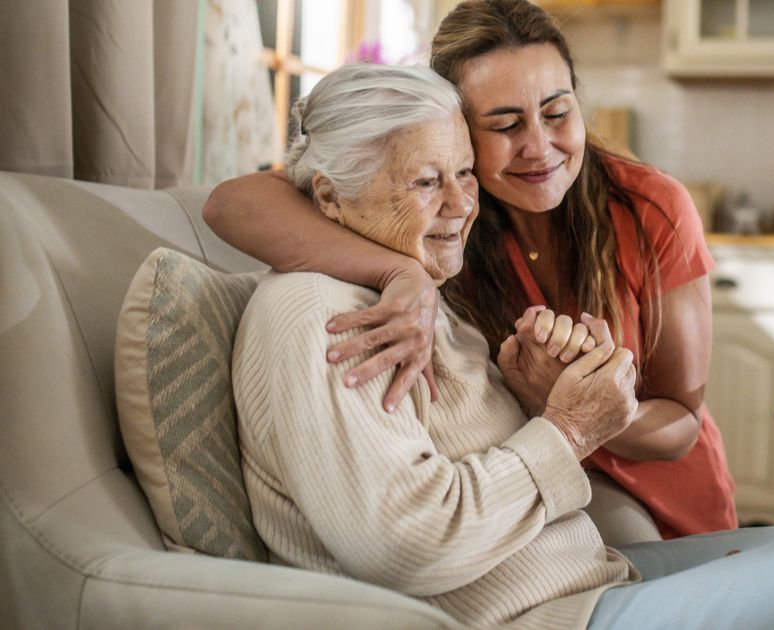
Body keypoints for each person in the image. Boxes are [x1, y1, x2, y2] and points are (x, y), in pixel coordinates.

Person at [233, 62, 774, 630]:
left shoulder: (414, 288)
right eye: (426, 182)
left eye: (463, 173)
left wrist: (537, 391)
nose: (460, 204)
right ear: (328, 195)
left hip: (582, 578)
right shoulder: (327, 319)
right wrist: (567, 427)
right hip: (538, 615)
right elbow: (406, 543)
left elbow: (468, 444)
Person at [205, 0, 735, 542]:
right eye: (505, 124)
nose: (539, 148)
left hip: (668, 501)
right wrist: (402, 274)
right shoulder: (446, 221)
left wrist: (581, 406)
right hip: (536, 492)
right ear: (457, 127)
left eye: (557, 113)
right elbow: (231, 204)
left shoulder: (649, 208)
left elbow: (682, 423)